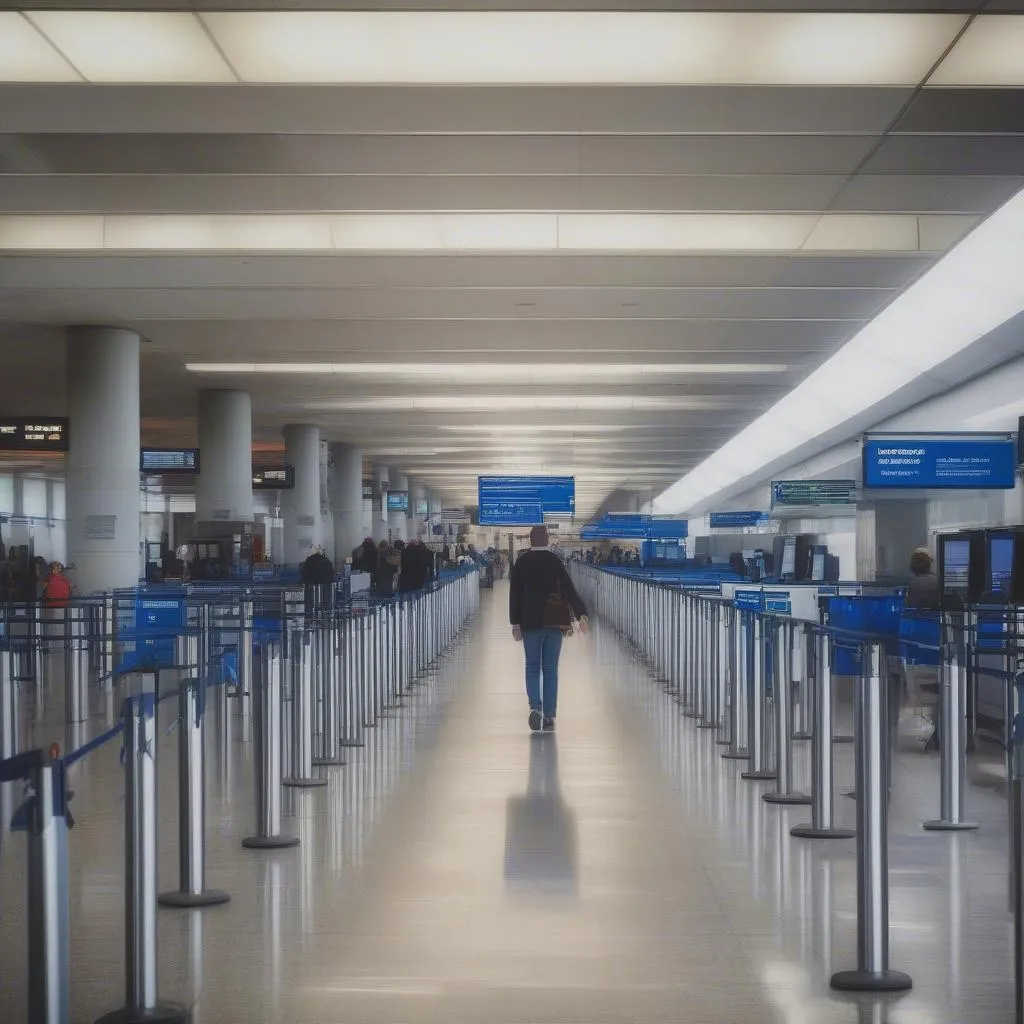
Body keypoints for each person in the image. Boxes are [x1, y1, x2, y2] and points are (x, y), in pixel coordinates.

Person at [509, 524, 589, 733]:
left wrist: (514, 622)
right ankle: (550, 715)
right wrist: (581, 613)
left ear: (529, 540)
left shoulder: (522, 562)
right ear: (546, 540)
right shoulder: (555, 562)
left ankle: (536, 707)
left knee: (532, 668)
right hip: (554, 623)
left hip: (530, 623)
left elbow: (515, 594)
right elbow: (569, 589)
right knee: (551, 670)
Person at [902, 547, 942, 750]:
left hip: (917, 644)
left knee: (920, 686)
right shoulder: (938, 583)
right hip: (937, 640)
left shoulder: (912, 585)